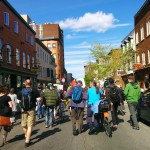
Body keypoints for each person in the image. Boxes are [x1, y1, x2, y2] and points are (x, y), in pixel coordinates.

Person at [17, 79, 40, 148]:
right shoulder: (34, 91)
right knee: (30, 125)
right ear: (31, 84)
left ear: (24, 84)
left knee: (24, 124)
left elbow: (18, 102)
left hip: (23, 109)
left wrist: (22, 107)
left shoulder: (20, 91)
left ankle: (26, 136)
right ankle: (27, 141)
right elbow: (38, 100)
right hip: (31, 109)